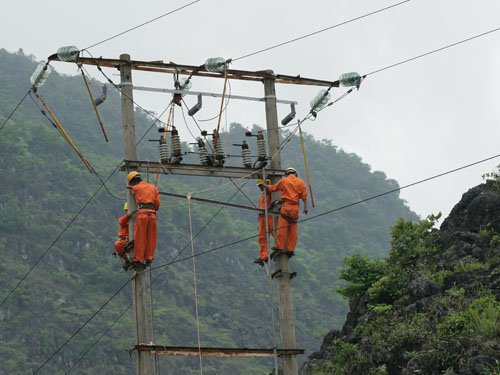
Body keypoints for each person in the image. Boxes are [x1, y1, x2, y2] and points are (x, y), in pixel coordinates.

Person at [263, 167, 308, 255]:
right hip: (295, 209)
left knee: (282, 228)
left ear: (286, 174)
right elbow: (304, 196)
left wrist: (264, 185)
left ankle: (279, 247)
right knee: (293, 230)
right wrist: (305, 208)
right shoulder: (301, 182)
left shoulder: (284, 181)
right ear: (295, 174)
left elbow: (273, 188)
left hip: (286, 207)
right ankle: (290, 249)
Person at [127, 171, 161, 266]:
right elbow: (157, 203)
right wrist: (153, 209)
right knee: (151, 237)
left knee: (140, 237)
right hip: (152, 215)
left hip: (142, 214)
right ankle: (149, 258)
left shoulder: (135, 188)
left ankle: (138, 259)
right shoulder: (153, 187)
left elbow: (133, 190)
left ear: (133, 181)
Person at [254, 179, 274, 266]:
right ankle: (263, 255)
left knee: (276, 232)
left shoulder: (270, 192)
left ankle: (281, 248)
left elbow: (269, 189)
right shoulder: (262, 196)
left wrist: (264, 182)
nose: (260, 188)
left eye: (261, 186)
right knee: (262, 237)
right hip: (262, 217)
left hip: (270, 215)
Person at [114, 202, 134, 270]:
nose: (127, 212)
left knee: (117, 244)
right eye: (126, 210)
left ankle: (135, 260)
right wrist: (128, 216)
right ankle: (127, 261)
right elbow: (121, 221)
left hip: (130, 241)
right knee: (117, 245)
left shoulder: (135, 220)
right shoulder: (124, 219)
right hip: (124, 241)